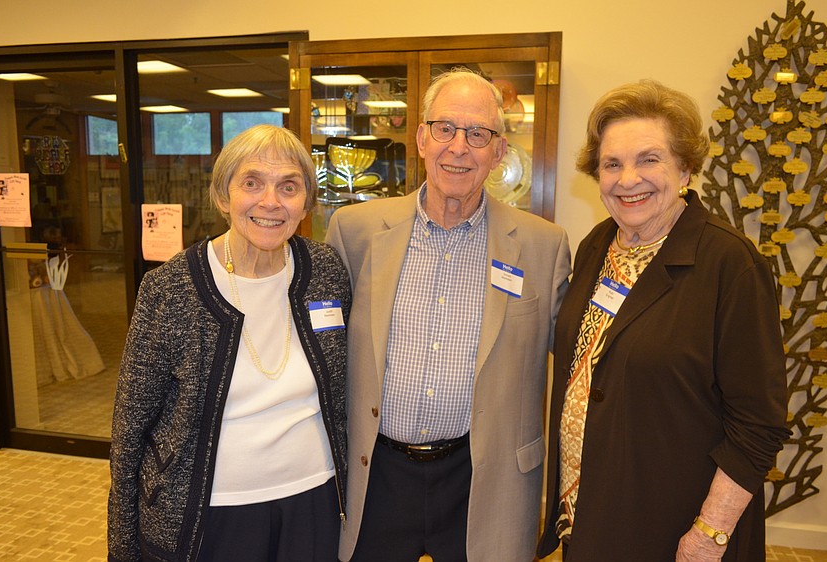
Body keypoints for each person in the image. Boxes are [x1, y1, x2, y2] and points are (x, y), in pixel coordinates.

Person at [537, 80, 791, 561]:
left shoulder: (730, 265)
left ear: (686, 167)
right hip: (590, 516)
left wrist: (706, 537)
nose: (627, 179)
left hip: (673, 529)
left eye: (649, 159)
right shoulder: (597, 245)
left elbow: (759, 425)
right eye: (612, 164)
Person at [326, 68, 571, 562]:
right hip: (378, 473)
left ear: (499, 151)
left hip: (485, 476)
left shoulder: (543, 247)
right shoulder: (354, 232)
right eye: (445, 129)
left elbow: (580, 364)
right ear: (421, 138)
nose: (459, 147)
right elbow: (321, 352)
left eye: (478, 134)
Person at [108, 124, 350, 562]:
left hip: (314, 500)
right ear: (223, 196)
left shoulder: (326, 271)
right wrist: (123, 548)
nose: (271, 201)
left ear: (306, 203)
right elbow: (129, 432)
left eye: (289, 186)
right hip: (210, 514)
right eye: (252, 183)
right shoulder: (171, 289)